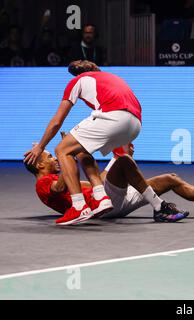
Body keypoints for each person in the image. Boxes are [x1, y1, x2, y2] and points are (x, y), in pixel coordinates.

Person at [24, 60, 142, 226]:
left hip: (113, 116)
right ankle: (101, 196)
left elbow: (57, 122)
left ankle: (79, 206)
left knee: (62, 149)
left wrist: (41, 146)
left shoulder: (76, 81)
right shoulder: (111, 78)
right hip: (135, 123)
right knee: (80, 149)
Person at [24, 145, 194, 224]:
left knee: (170, 178)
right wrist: (68, 155)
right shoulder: (43, 184)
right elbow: (59, 188)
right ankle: (159, 208)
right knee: (124, 162)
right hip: (104, 208)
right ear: (40, 165)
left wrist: (113, 160)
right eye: (50, 157)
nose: (55, 159)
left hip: (110, 201)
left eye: (55, 156)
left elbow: (98, 183)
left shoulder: (67, 181)